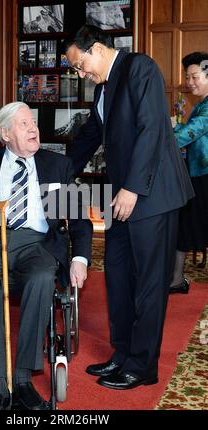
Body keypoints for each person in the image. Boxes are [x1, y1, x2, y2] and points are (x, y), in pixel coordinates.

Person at [0, 101, 93, 410]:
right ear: (4, 133)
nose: (33, 128)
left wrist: (80, 259)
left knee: (41, 278)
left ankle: (22, 379)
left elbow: (78, 218)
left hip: (37, 243)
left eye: (32, 122)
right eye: (23, 124)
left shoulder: (56, 165)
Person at [65, 25, 194, 390]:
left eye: (80, 65)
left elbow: (152, 129)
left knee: (149, 283)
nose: (81, 74)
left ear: (98, 48)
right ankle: (122, 354)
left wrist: (133, 188)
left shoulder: (141, 68)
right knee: (119, 277)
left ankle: (143, 366)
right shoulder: (104, 89)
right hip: (121, 197)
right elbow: (92, 134)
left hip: (151, 195)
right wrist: (55, 174)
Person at [170, 52, 208, 294]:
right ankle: (176, 280)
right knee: (184, 226)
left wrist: (165, 133)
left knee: (187, 226)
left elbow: (189, 134)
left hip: (204, 175)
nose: (189, 82)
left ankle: (175, 279)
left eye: (194, 76)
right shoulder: (201, 103)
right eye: (187, 76)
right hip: (197, 175)